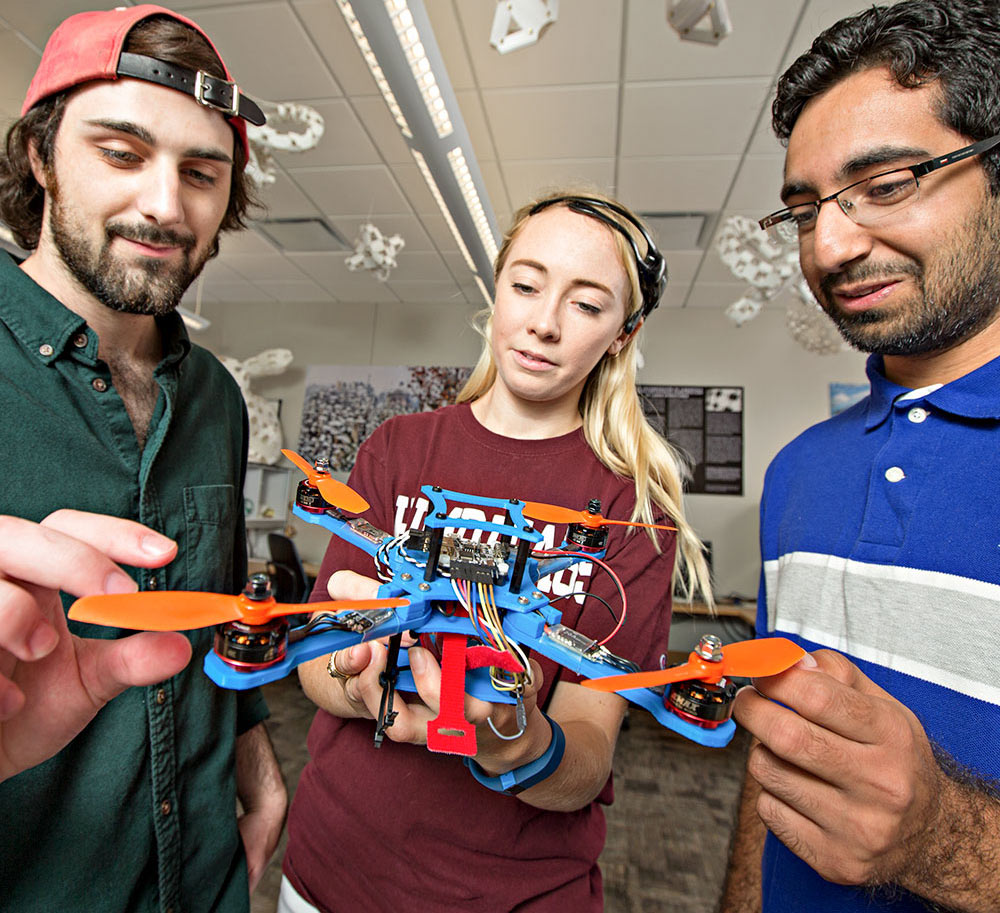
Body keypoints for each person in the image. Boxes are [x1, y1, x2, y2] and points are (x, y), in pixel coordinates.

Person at [279, 191, 713, 912]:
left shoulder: (636, 511)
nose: (543, 323)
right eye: (527, 284)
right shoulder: (398, 449)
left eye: (586, 304)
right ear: (497, 289)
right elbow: (318, 663)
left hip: (511, 892)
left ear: (621, 334)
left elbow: (588, 750)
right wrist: (358, 680)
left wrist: (520, 743)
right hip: (330, 870)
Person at [0, 6, 287, 911]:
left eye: (201, 173)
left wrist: (259, 770)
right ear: (41, 156)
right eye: (121, 153)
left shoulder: (216, 400)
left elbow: (222, 604)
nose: (165, 204)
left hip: (202, 878)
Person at [719, 2, 1000, 911]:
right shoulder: (798, 470)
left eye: (886, 184)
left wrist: (940, 838)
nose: (830, 246)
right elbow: (780, 762)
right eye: (804, 210)